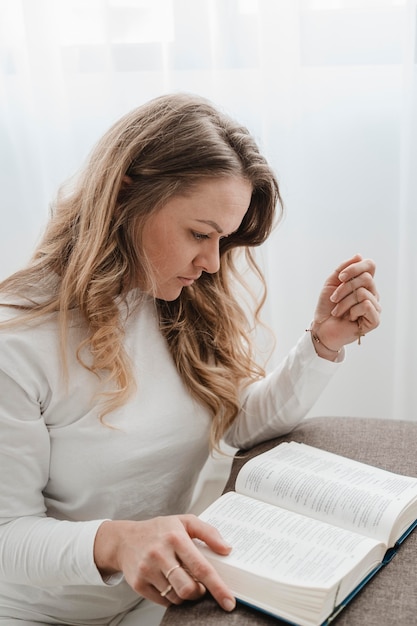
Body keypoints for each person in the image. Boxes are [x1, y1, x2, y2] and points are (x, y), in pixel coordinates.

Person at [0, 93, 381, 626]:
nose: (210, 262)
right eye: (199, 234)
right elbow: (6, 534)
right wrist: (118, 543)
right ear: (125, 194)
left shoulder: (170, 300)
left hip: (157, 600)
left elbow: (233, 419)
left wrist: (323, 342)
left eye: (222, 241)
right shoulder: (17, 341)